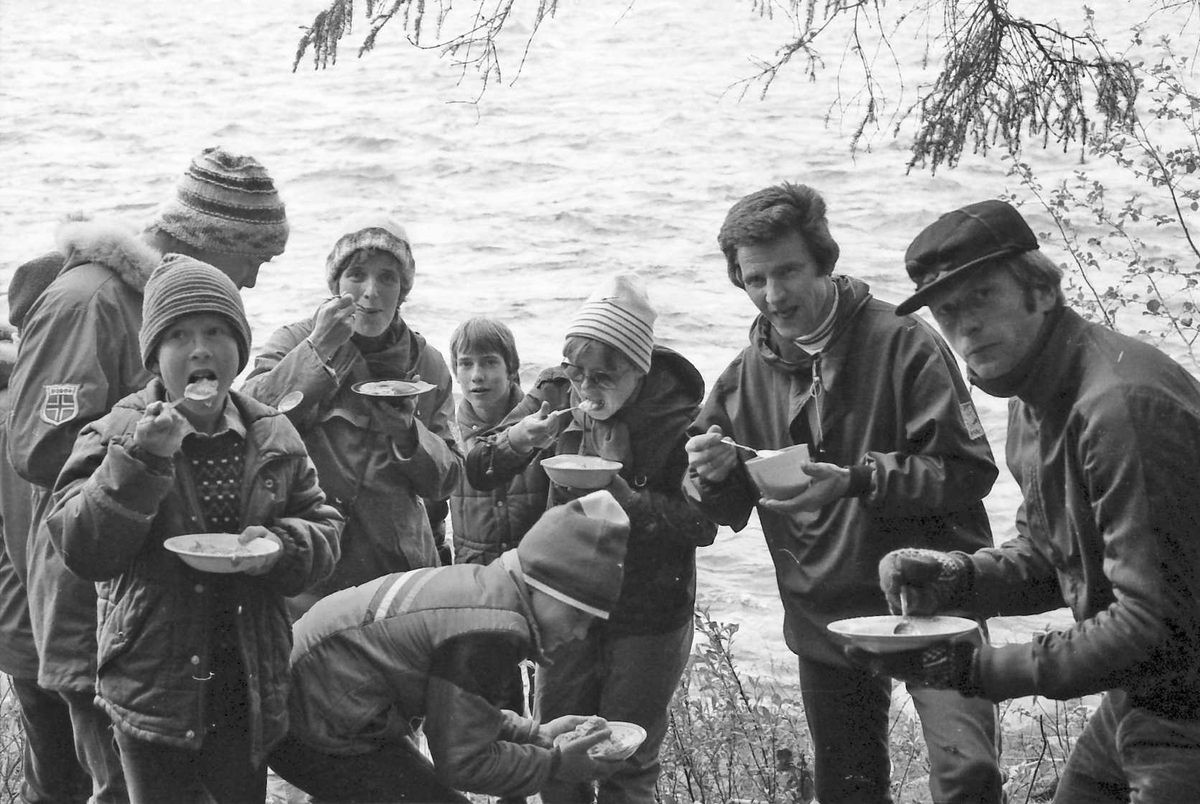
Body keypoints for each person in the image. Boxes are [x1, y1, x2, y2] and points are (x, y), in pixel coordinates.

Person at [862, 199, 1200, 802]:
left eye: (983, 297)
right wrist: (955, 577)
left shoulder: (1121, 409)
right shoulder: (1034, 394)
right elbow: (1053, 556)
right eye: (947, 311)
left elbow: (1153, 622)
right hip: (1147, 690)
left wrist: (984, 671)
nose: (964, 326)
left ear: (1041, 291)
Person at [682, 183, 1004, 803]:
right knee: (848, 791)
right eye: (755, 279)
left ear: (824, 262)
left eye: (788, 271)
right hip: (824, 616)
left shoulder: (903, 339)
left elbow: (968, 470)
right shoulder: (742, 378)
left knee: (968, 775)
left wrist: (860, 480)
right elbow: (721, 511)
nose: (773, 295)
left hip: (932, 601)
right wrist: (710, 473)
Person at [6, 145, 289, 804]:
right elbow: (38, 448)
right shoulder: (91, 302)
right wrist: (151, 428)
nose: (248, 284)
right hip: (95, 601)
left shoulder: (166, 310)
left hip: (159, 608)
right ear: (213, 239)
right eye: (254, 260)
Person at [43, 255, 342, 804]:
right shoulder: (117, 432)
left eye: (215, 332)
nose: (199, 348)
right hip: (152, 681)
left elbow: (323, 525)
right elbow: (80, 547)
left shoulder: (271, 431)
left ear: (240, 349)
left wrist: (283, 546)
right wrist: (140, 460)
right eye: (179, 335)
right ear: (155, 356)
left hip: (248, 678)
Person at [466, 272, 717, 804]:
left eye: (603, 377)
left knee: (626, 759)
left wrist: (622, 493)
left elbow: (701, 527)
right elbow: (477, 464)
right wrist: (520, 437)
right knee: (559, 752)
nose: (585, 390)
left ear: (639, 369)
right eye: (577, 375)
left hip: (650, 611)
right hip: (565, 606)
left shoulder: (680, 424)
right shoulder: (555, 393)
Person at [268, 490, 632, 803]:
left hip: (316, 706)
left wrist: (537, 735)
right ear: (542, 587)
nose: (581, 633)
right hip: (313, 728)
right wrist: (557, 765)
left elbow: (460, 713)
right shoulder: (490, 631)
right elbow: (462, 761)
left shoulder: (489, 592)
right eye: (578, 615)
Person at [241, 214, 462, 616]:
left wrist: (408, 433)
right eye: (357, 275)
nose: (371, 293)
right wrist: (318, 350)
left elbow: (448, 479)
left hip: (397, 578)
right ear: (336, 284)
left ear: (404, 291)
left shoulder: (427, 364)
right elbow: (249, 423)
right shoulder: (295, 340)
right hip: (309, 573)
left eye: (388, 278)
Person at [0, 255, 91, 804]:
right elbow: (32, 534)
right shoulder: (25, 415)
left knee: (53, 775)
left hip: (17, 627)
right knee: (67, 779)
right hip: (42, 625)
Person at [448, 316, 548, 566]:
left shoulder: (541, 426)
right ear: (455, 372)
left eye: (490, 362)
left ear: (512, 369)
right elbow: (430, 516)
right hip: (474, 578)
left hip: (536, 572)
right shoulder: (447, 434)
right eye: (465, 364)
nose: (477, 375)